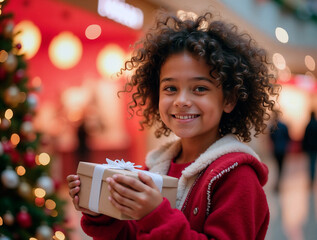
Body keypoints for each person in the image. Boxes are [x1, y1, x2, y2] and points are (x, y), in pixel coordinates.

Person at [67, 11, 280, 240]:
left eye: (200, 88)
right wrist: (101, 212)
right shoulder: (157, 166)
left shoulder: (238, 177)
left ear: (228, 99)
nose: (181, 101)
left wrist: (155, 215)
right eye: (170, 88)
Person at [269, 113, 290, 191]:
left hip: (276, 149)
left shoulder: (272, 126)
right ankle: (278, 183)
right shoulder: (284, 126)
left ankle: (277, 183)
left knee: (277, 166)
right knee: (281, 166)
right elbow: (288, 137)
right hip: (282, 149)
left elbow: (271, 138)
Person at [303, 111, 317, 187]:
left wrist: (304, 147)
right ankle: (312, 179)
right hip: (315, 147)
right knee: (313, 163)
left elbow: (305, 137)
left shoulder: (308, 125)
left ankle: (311, 179)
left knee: (311, 163)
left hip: (310, 147)